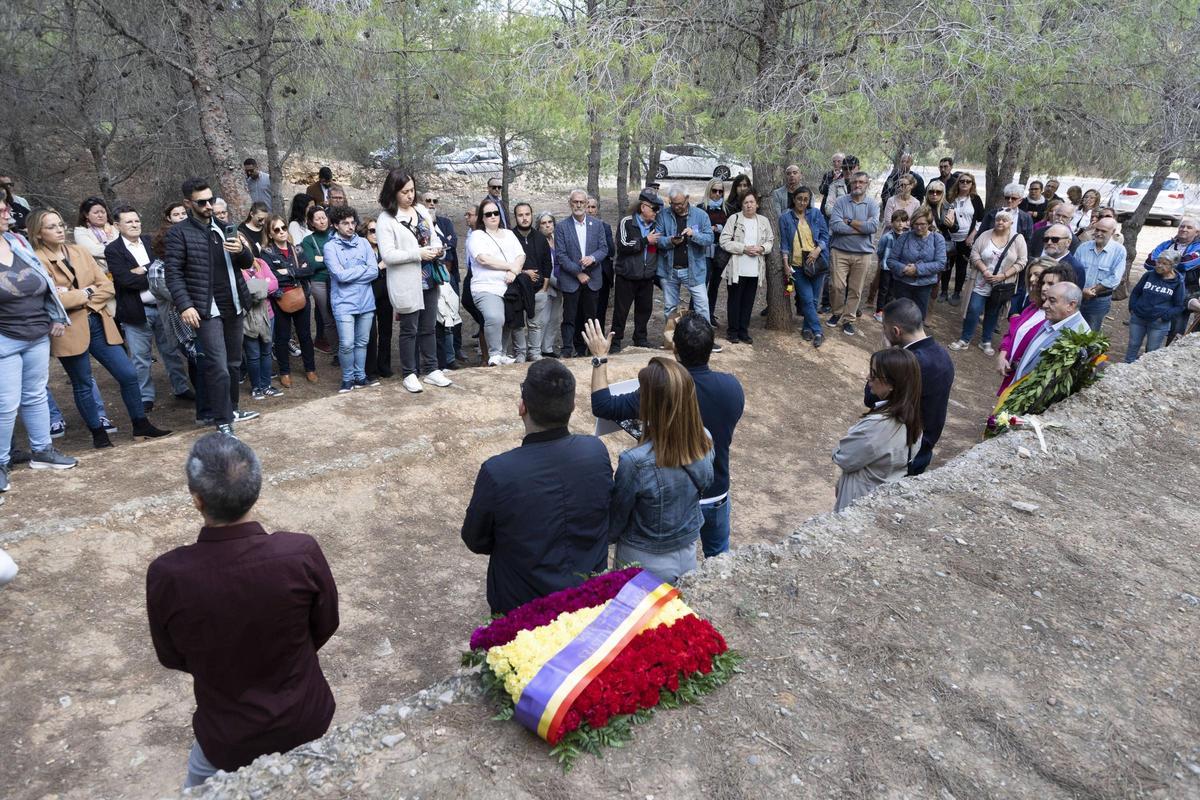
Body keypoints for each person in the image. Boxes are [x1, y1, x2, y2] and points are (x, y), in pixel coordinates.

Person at [146, 434, 339, 790]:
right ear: (256, 490)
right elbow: (325, 624)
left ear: (197, 500)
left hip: (227, 735)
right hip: (305, 715)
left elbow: (172, 655)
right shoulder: (299, 553)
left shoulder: (169, 574)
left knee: (199, 789)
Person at [461, 359, 612, 614]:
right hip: (587, 598)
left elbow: (476, 540)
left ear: (522, 407)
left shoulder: (499, 471)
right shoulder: (595, 451)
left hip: (523, 608)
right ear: (573, 406)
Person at [587, 314, 743, 557]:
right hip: (716, 491)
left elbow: (603, 406)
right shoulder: (732, 387)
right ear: (710, 347)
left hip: (673, 498)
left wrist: (600, 358)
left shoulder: (660, 391)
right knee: (720, 559)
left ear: (675, 350)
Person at [29, 208, 172, 447]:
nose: (59, 229)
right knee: (83, 382)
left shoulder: (79, 251)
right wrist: (85, 292)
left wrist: (80, 296)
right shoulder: (36, 260)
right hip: (68, 329)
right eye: (51, 227)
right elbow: (52, 300)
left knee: (127, 374)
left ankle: (141, 425)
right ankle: (99, 434)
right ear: (38, 233)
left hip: (98, 321)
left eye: (60, 224)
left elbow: (107, 286)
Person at [164, 178, 259, 437]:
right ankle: (222, 419)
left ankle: (233, 409)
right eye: (201, 202)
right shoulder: (178, 233)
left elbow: (247, 263)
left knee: (233, 363)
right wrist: (185, 305)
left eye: (210, 200)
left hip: (234, 303)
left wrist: (241, 250)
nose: (208, 205)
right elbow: (172, 273)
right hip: (206, 308)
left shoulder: (225, 227)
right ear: (188, 203)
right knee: (216, 365)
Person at [608, 357, 714, 583]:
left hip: (642, 563)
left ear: (651, 404)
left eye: (641, 393)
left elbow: (615, 521)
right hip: (687, 557)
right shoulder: (705, 439)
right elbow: (706, 482)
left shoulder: (635, 462)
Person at [0, 199, 76, 493]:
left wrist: (55, 314)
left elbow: (40, 279)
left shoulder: (16, 240)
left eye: (5, 207)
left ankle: (42, 451)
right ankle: (2, 462)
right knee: (6, 404)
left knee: (35, 395)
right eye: (1, 210)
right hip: (5, 337)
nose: (7, 212)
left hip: (36, 332)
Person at [105, 205, 193, 410]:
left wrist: (142, 270)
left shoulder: (150, 241)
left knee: (171, 351)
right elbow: (126, 280)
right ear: (117, 225)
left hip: (162, 307)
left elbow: (167, 269)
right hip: (135, 311)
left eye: (136, 220)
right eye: (129, 222)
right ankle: (145, 397)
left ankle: (181, 387)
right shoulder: (113, 250)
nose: (134, 225)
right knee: (140, 357)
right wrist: (150, 273)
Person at [376, 169, 451, 392]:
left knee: (429, 326)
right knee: (410, 328)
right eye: (404, 192)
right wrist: (418, 253)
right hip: (407, 279)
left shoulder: (420, 210)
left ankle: (432, 369)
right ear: (393, 192)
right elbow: (388, 255)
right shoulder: (386, 219)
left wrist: (438, 250)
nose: (410, 195)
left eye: (412, 190)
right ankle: (409, 373)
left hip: (430, 275)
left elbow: (434, 236)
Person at [868, 299, 952, 475]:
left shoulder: (910, 363)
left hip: (902, 449)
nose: (883, 332)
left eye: (884, 328)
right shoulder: (943, 355)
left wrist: (886, 358)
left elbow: (870, 397)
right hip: (925, 445)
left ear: (896, 331)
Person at [833, 348, 922, 512]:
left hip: (857, 500)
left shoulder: (877, 426)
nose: (868, 378)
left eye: (873, 374)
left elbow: (843, 458)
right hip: (880, 499)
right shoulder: (913, 417)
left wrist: (838, 450)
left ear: (892, 384)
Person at [950, 209, 1027, 356]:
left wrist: (1003, 275)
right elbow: (974, 253)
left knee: (993, 312)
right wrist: (984, 270)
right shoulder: (985, 235)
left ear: (1011, 223)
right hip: (981, 281)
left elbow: (1022, 261)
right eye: (998, 219)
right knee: (973, 309)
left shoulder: (1018, 239)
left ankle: (986, 340)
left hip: (1001, 285)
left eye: (1004, 220)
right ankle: (965, 339)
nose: (1000, 222)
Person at [323, 205, 381, 393]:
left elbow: (374, 271)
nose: (350, 226)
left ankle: (360, 376)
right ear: (336, 225)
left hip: (366, 301)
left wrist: (353, 272)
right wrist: (362, 269)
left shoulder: (364, 243)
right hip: (343, 303)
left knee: (362, 342)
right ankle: (347, 379)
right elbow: (339, 276)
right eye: (345, 223)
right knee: (347, 343)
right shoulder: (330, 247)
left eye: (352, 222)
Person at [259, 215, 317, 387]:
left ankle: (310, 369)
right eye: (276, 229)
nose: (282, 232)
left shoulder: (297, 249)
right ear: (270, 233)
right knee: (282, 338)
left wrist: (289, 272)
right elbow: (273, 278)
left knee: (305, 336)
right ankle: (284, 372)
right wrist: (297, 271)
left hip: (301, 296)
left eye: (283, 227)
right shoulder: (266, 253)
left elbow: (310, 270)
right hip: (280, 299)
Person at [468, 197, 526, 366]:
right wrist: (512, 267)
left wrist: (514, 272)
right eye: (488, 214)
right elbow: (483, 259)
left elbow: (521, 255)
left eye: (496, 213)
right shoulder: (477, 235)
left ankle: (501, 353)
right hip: (486, 286)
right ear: (482, 217)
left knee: (508, 319)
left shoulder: (508, 234)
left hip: (509, 286)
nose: (493, 216)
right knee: (495, 317)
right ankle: (494, 354)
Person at [994, 259, 1066, 395]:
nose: (1033, 280)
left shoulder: (1055, 318)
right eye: (1030, 275)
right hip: (1011, 377)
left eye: (1038, 275)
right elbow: (1012, 333)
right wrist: (1003, 355)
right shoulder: (1032, 307)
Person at [554, 189, 608, 358]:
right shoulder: (562, 227)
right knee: (569, 317)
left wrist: (592, 258)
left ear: (586, 204)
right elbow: (561, 255)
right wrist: (578, 273)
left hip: (593, 278)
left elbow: (604, 249)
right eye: (575, 202)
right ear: (570, 203)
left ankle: (588, 349)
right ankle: (568, 350)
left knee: (590, 318)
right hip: (571, 279)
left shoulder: (597, 224)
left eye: (581, 202)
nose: (578, 205)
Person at [655, 185, 714, 333]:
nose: (677, 207)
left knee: (702, 305)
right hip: (669, 270)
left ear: (687, 199)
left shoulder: (700, 215)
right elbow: (657, 239)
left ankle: (705, 339)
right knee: (670, 307)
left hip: (694, 270)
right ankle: (672, 340)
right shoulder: (663, 215)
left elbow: (709, 239)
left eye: (680, 203)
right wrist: (670, 241)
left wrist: (694, 234)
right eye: (673, 203)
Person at [827, 170, 879, 335]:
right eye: (855, 182)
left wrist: (849, 222)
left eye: (861, 182)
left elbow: (872, 228)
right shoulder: (841, 202)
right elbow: (835, 225)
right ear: (851, 183)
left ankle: (848, 319)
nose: (857, 185)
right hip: (839, 251)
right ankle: (836, 313)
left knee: (856, 289)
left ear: (867, 184)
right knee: (836, 286)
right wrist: (861, 228)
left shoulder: (872, 204)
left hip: (863, 254)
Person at [612, 189, 663, 352]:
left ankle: (640, 338)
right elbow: (623, 245)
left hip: (646, 277)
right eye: (654, 208)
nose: (657, 212)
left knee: (644, 310)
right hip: (626, 276)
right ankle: (615, 342)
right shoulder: (626, 222)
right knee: (621, 312)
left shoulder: (656, 225)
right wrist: (645, 240)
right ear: (643, 207)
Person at [719, 190, 774, 344]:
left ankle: (744, 330)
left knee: (748, 301)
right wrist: (743, 248)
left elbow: (770, 240)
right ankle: (732, 331)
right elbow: (724, 241)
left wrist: (762, 248)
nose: (749, 205)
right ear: (741, 205)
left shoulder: (763, 221)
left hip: (755, 269)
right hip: (737, 268)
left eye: (752, 202)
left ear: (757, 204)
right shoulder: (734, 219)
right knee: (735, 300)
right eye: (746, 202)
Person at [779, 186, 830, 346]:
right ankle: (818, 331)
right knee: (807, 300)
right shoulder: (785, 218)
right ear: (793, 199)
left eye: (805, 199)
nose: (802, 202)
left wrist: (817, 250)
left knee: (814, 300)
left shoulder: (815, 214)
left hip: (817, 262)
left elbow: (825, 235)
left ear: (809, 201)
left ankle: (807, 328)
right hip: (798, 265)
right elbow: (785, 244)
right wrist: (786, 264)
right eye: (799, 198)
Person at [1011, 280, 1090, 382]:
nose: (1044, 305)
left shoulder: (1079, 338)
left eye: (1052, 301)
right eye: (1046, 299)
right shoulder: (1053, 318)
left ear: (1071, 305)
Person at [1144, 217, 1200, 342]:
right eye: (1182, 226)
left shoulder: (1198, 247)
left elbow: (1187, 263)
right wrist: (1169, 264)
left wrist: (1162, 263)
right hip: (1159, 289)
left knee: (1176, 332)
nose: (1184, 229)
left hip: (1185, 291)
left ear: (1197, 232)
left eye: (1189, 227)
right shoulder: (1166, 244)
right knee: (1151, 327)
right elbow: (1148, 262)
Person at [1125, 250, 1185, 362]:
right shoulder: (1149, 275)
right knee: (1133, 345)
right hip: (1138, 318)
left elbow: (1179, 306)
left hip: (1158, 323)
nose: (1159, 265)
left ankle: (1144, 374)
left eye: (1164, 263)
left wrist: (1164, 317)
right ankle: (1126, 369)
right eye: (1158, 262)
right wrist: (1133, 308)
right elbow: (1136, 292)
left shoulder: (1178, 282)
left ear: (1173, 266)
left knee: (1152, 351)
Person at [886, 207, 947, 318]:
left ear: (929, 223)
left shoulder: (937, 239)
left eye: (923, 224)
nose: (919, 227)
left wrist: (917, 269)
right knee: (901, 316)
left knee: (917, 318)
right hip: (902, 283)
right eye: (916, 224)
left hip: (924, 285)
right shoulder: (904, 237)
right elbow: (891, 260)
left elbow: (940, 263)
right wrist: (904, 269)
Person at [511, 202, 553, 361]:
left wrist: (544, 287)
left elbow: (547, 265)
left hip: (538, 290)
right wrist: (524, 273)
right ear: (516, 217)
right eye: (520, 215)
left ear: (531, 215)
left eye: (527, 214)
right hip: (517, 288)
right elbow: (506, 263)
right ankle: (520, 354)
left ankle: (534, 352)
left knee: (535, 324)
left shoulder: (541, 238)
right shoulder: (509, 236)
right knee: (518, 324)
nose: (524, 218)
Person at [239, 241, 280, 400]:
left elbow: (275, 284)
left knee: (266, 351)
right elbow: (246, 291)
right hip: (248, 317)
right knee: (253, 354)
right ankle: (256, 387)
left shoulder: (261, 262)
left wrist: (257, 287)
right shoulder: (235, 268)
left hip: (268, 315)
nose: (242, 246)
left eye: (244, 243)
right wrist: (264, 284)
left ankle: (266, 385)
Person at [1073, 215, 1125, 332]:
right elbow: (1072, 271)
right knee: (1071, 330)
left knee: (1090, 333)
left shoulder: (1119, 250)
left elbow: (1115, 278)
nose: (1099, 233)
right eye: (1097, 229)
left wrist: (1093, 290)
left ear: (1113, 232)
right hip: (1077, 296)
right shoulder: (1083, 247)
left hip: (1099, 301)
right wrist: (1082, 291)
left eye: (1103, 231)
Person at [300, 204, 337, 357]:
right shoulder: (308, 240)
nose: (322, 221)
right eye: (317, 219)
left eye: (323, 218)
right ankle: (337, 352)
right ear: (311, 222)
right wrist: (331, 260)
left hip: (338, 280)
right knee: (327, 318)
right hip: (319, 283)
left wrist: (321, 259)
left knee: (341, 315)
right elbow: (311, 264)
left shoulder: (335, 234)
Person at [942, 173, 984, 304]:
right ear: (958, 183)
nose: (965, 183)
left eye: (968, 181)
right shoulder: (950, 197)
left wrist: (972, 236)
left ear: (972, 184)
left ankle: (956, 292)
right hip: (950, 237)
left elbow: (980, 219)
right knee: (947, 265)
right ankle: (943, 291)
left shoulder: (975, 199)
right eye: (962, 181)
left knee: (961, 266)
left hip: (966, 239)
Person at [359, 216, 392, 379]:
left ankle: (384, 366)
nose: (376, 234)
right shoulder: (361, 250)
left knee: (386, 332)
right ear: (365, 232)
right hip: (368, 295)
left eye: (378, 231)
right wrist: (379, 267)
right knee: (371, 334)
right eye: (372, 231)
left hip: (386, 295)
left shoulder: (386, 249)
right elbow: (361, 274)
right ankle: (370, 369)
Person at [534, 212, 564, 359]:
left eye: (550, 222)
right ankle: (536, 348)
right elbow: (542, 267)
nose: (547, 225)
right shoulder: (538, 241)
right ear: (539, 226)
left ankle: (548, 347)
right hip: (546, 284)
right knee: (543, 319)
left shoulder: (558, 239)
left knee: (555, 318)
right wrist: (556, 282)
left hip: (560, 284)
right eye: (543, 223)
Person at [586, 196, 616, 330]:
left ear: (597, 210)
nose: (590, 210)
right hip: (583, 273)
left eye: (593, 207)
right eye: (588, 206)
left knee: (600, 309)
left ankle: (599, 338)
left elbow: (610, 250)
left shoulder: (605, 227)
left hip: (602, 273)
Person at [702, 178, 728, 326]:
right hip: (704, 251)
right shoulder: (700, 208)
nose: (717, 194)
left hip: (720, 252)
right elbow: (696, 228)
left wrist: (717, 228)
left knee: (715, 285)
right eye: (714, 190)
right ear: (709, 190)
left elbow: (730, 228)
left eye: (720, 191)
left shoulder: (726, 210)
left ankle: (710, 315)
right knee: (701, 284)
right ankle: (696, 314)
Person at [978, 184, 1034, 251]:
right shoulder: (992, 214)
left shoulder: (1026, 218)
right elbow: (981, 234)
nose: (1009, 200)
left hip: (1014, 252)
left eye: (1013, 198)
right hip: (991, 250)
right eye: (1007, 197)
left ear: (1020, 200)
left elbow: (1028, 240)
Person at [72, 197, 119, 269]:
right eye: (96, 213)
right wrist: (119, 250)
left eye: (103, 212)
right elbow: (93, 251)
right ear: (86, 215)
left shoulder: (116, 228)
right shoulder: (81, 231)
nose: (100, 215)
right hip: (99, 272)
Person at [818, 152, 846, 217]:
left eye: (839, 161)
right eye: (834, 161)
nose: (836, 164)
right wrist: (832, 181)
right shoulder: (828, 174)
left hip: (842, 210)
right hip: (826, 208)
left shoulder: (846, 174)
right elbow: (821, 190)